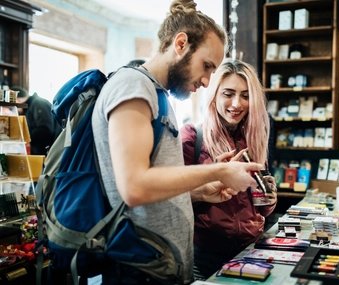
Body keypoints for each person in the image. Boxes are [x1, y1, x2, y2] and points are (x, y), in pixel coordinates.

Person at [91, 1, 263, 284]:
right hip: (139, 268)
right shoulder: (133, 86)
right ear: (181, 43)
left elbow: (154, 188)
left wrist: (200, 191)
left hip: (160, 265)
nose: (208, 81)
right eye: (206, 66)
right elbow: (134, 187)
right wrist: (216, 171)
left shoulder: (157, 95)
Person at [180, 58, 278, 279]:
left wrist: (269, 200)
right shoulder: (192, 137)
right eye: (228, 93)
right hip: (204, 255)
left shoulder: (254, 139)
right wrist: (209, 182)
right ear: (214, 94)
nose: (237, 104)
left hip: (249, 251)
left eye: (245, 95)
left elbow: (260, 208)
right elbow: (172, 199)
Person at [14, 86, 61, 155]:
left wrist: (24, 137)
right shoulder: (31, 106)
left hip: (50, 151)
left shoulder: (38, 103)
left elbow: (45, 129)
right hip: (44, 150)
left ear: (17, 100)